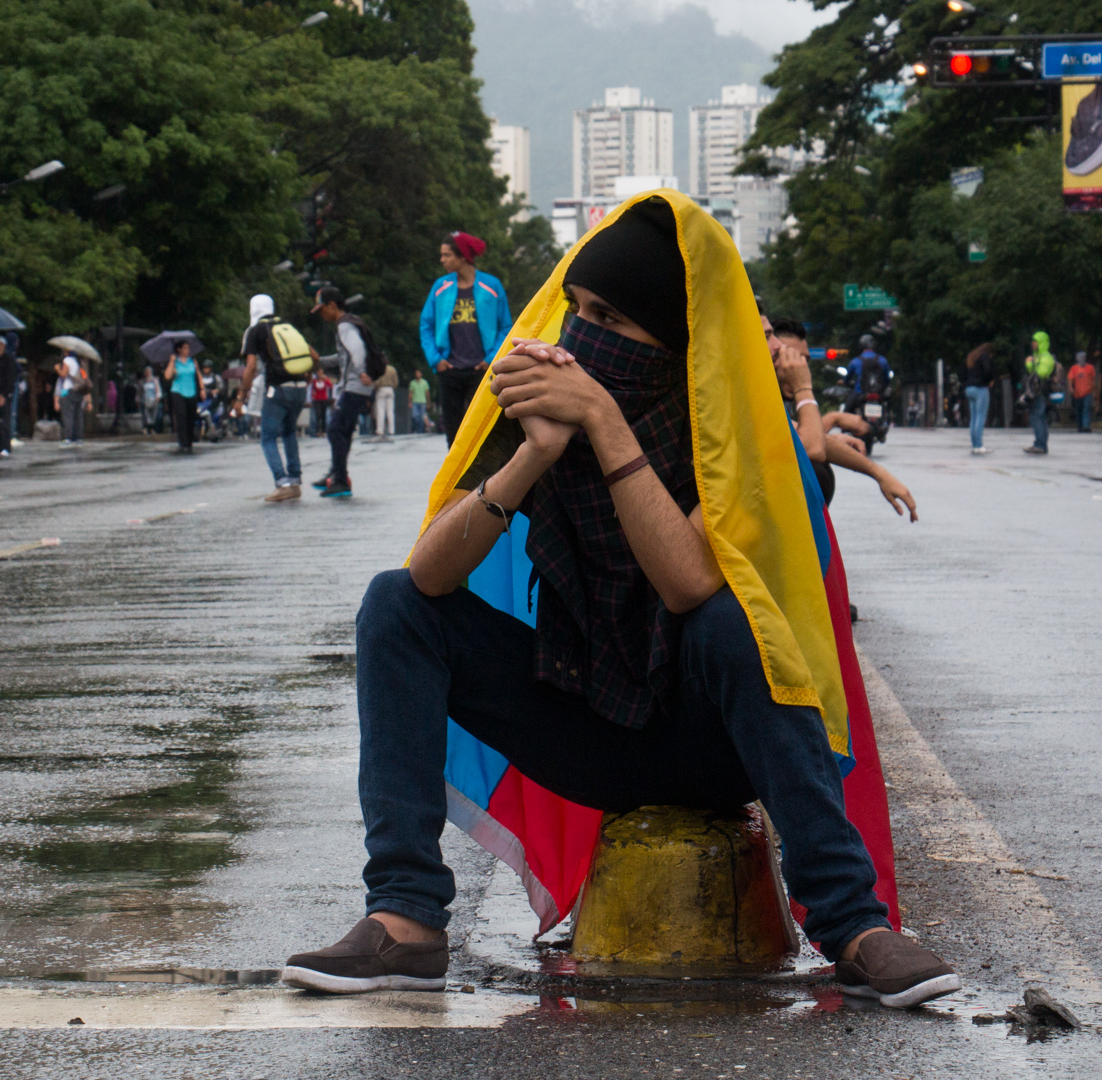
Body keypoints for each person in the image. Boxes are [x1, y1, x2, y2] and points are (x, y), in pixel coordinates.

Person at [281, 194, 959, 1010]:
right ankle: (406, 920)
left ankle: (852, 926)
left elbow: (689, 584)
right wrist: (532, 455)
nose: (582, 337)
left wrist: (606, 425)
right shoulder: (542, 405)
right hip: (590, 726)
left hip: (716, 746)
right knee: (394, 604)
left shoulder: (731, 435)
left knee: (725, 618)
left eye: (612, 319)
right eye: (578, 309)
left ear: (672, 345)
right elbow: (430, 576)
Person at [767, 317, 917, 521]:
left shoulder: (869, 361)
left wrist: (878, 473)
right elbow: (812, 447)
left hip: (872, 394)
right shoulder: (751, 397)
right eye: (790, 357)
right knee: (815, 469)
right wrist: (805, 390)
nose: (798, 367)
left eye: (803, 361)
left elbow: (796, 436)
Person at [418, 230, 514, 445]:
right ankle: (456, 478)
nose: (442, 260)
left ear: (462, 256)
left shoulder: (492, 286)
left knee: (482, 428)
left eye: (447, 255)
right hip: (449, 370)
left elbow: (505, 327)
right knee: (453, 430)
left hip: (481, 371)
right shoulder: (440, 287)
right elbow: (426, 324)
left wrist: (490, 360)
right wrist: (435, 360)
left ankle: (484, 477)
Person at [240, 294, 316, 501]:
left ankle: (282, 483)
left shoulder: (255, 331)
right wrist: (308, 376)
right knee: (290, 432)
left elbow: (251, 367)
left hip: (278, 389)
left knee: (268, 437)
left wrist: (240, 397)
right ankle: (295, 481)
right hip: (300, 388)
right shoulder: (287, 326)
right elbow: (313, 355)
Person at [312, 286, 381, 499]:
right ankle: (337, 474)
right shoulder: (351, 322)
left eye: (322, 309)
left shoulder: (344, 326)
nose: (322, 315)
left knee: (334, 430)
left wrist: (361, 372)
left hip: (354, 385)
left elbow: (357, 350)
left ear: (332, 306)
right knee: (343, 430)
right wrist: (320, 361)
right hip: (358, 386)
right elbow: (343, 357)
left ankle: (340, 479)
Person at [1023, 331, 1056, 455]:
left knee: (1036, 416)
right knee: (1039, 416)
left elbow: (1040, 373)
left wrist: (1029, 362)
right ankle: (1040, 444)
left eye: (1035, 341)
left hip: (1040, 392)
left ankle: (1040, 444)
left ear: (1041, 343)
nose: (1033, 344)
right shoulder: (1038, 356)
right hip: (1036, 391)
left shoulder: (1046, 357)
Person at [963, 342, 994, 455]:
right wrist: (989, 381)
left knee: (974, 418)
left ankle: (974, 445)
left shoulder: (972, 357)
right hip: (980, 388)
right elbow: (988, 371)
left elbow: (964, 373)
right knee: (981, 417)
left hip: (969, 389)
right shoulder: (984, 356)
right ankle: (979, 445)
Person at [54, 349, 87, 446]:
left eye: (65, 352)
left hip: (66, 390)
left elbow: (63, 375)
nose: (64, 353)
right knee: (77, 414)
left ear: (68, 353)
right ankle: (78, 438)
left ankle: (68, 438)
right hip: (78, 390)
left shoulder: (67, 360)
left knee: (67, 414)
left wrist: (57, 369)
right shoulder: (78, 362)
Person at [1069, 349, 1095, 434]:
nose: (1081, 359)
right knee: (1079, 410)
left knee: (1086, 409)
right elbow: (1070, 379)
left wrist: (1094, 389)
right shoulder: (1074, 368)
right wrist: (1070, 388)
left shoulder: (1090, 367)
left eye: (1083, 357)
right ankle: (1080, 426)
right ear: (1077, 359)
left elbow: (1093, 379)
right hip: (1077, 393)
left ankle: (1086, 426)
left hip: (1088, 392)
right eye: (1080, 357)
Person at [370, 363, 398, 442]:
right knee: (390, 411)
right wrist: (392, 387)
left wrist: (375, 387)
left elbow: (376, 381)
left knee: (381, 410)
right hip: (390, 389)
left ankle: (380, 430)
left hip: (381, 389)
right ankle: (391, 430)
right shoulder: (392, 369)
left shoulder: (379, 368)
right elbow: (396, 382)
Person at [408, 369, 430, 434]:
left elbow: (427, 393)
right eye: (416, 373)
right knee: (414, 416)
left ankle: (419, 431)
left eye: (418, 373)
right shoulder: (412, 383)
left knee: (421, 417)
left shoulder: (425, 382)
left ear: (421, 374)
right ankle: (416, 428)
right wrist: (409, 402)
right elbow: (410, 392)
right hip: (415, 401)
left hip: (423, 401)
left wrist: (428, 402)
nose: (417, 374)